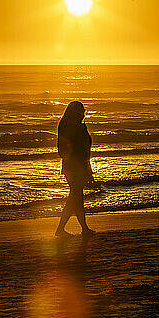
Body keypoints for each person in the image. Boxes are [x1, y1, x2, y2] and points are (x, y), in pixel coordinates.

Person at [55, 101, 97, 238]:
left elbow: (63, 150)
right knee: (75, 197)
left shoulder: (64, 125)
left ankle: (83, 228)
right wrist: (88, 170)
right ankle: (62, 229)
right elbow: (84, 151)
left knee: (76, 197)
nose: (84, 114)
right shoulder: (78, 128)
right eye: (82, 111)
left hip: (69, 167)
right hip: (77, 167)